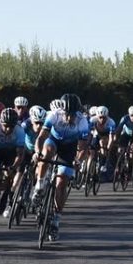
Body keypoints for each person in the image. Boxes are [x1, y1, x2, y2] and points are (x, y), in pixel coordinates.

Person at [31, 93, 89, 241]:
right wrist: (37, 152)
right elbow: (41, 137)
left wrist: (78, 160)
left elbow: (83, 147)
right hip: (53, 141)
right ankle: (39, 185)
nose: (70, 117)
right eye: (67, 114)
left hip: (69, 148)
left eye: (73, 114)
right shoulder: (54, 115)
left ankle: (56, 219)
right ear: (62, 111)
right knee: (47, 152)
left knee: (62, 182)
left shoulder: (82, 121)